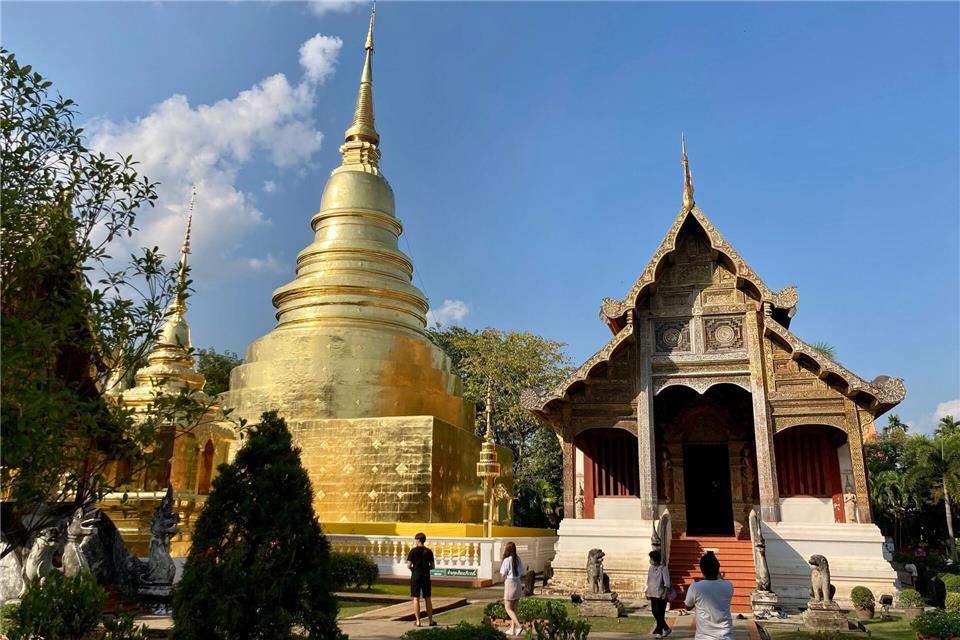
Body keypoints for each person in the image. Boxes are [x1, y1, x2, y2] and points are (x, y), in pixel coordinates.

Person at [683, 551, 733, 640]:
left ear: (702, 570)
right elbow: (720, 581)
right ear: (718, 569)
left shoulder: (695, 587)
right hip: (725, 636)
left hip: (703, 637)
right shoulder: (728, 585)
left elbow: (687, 607)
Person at [406, 532, 435, 627]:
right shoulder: (429, 551)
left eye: (415, 540)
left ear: (418, 540)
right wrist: (426, 569)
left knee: (416, 598)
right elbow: (433, 566)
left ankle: (418, 621)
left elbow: (408, 565)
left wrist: (413, 570)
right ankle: (431, 621)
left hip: (416, 576)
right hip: (426, 576)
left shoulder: (413, 551)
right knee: (427, 598)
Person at [500, 541, 525, 637]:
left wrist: (503, 580)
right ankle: (512, 629)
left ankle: (518, 626)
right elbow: (522, 571)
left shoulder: (507, 560)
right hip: (518, 583)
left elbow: (503, 573)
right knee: (514, 608)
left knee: (508, 608)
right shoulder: (518, 560)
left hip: (510, 583)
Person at [646, 550, 672, 638]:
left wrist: (665, 593)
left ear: (655, 559)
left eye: (651, 559)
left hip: (660, 594)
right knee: (654, 612)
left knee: (659, 613)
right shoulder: (651, 568)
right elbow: (649, 580)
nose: (650, 560)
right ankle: (666, 628)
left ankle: (660, 632)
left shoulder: (663, 569)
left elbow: (667, 582)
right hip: (652, 593)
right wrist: (647, 591)